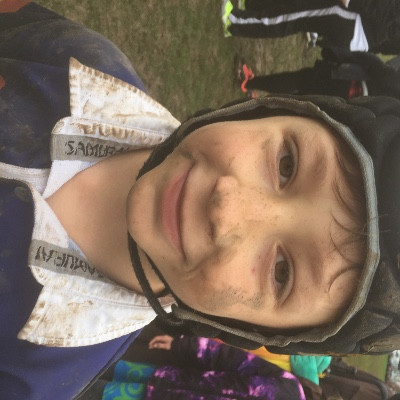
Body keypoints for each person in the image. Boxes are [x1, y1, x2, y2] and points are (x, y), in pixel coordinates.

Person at [2, 1, 400, 399]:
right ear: (266, 111)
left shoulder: (37, 373)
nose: (227, 209)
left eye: (281, 272)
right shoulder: (80, 59)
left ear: (248, 330)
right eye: (286, 164)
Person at [93, 335, 307, 399]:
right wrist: (184, 345)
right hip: (164, 379)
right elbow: (233, 360)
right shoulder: (289, 386)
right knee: (94, 371)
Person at [222, 0, 400, 54]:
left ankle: (234, 22)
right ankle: (251, 7)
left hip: (354, 22)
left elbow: (389, 15)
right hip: (361, 31)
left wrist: (352, 2)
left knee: (293, 18)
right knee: (297, 8)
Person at [237, 48, 400, 99]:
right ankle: (256, 99)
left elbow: (380, 70)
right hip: (350, 103)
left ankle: (250, 82)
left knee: (298, 81)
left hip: (346, 83)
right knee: (299, 99)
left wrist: (341, 55)